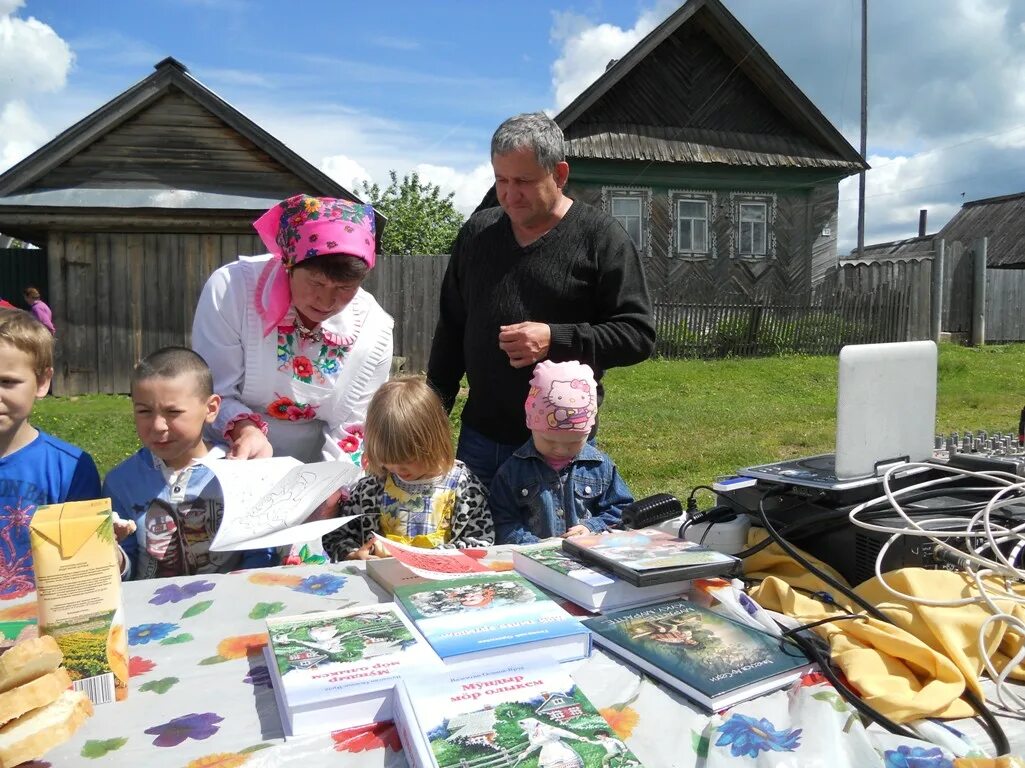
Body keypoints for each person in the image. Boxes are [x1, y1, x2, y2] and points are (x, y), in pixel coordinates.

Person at [427, 111, 655, 488]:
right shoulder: (477, 234)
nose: (509, 194)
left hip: (559, 443)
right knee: (475, 543)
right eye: (501, 179)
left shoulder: (602, 239)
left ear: (560, 174)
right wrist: (433, 414)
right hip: (480, 438)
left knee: (551, 544)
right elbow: (452, 329)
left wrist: (555, 339)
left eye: (524, 181)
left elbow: (638, 336)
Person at [192, 194, 393, 465]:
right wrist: (245, 429)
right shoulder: (231, 290)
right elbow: (213, 391)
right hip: (234, 457)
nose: (326, 301)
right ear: (288, 263)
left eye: (345, 288)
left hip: (319, 468)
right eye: (316, 283)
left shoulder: (374, 331)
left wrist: (330, 491)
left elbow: (354, 426)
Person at [103, 346, 276, 579]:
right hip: (152, 609)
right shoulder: (121, 482)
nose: (157, 426)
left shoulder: (238, 472)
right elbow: (129, 564)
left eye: (173, 412)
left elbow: (260, 552)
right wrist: (117, 559)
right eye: (144, 411)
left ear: (211, 408)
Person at [322, 376, 494, 561]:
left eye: (408, 459)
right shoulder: (372, 488)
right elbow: (336, 537)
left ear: (433, 442)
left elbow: (482, 542)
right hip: (384, 584)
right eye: (387, 460)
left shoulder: (464, 487)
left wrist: (430, 557)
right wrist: (354, 554)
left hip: (442, 584)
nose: (397, 468)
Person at [0, 308, 100, 600]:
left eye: (7, 382)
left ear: (42, 382)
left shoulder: (70, 468)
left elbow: (85, 565)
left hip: (41, 625)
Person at [490, 360, 633, 545]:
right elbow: (501, 520)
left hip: (588, 560)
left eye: (574, 443)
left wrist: (593, 527)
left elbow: (624, 509)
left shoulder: (598, 467)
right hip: (534, 561)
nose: (560, 449)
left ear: (588, 433)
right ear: (531, 426)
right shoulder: (513, 471)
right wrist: (531, 544)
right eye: (549, 441)